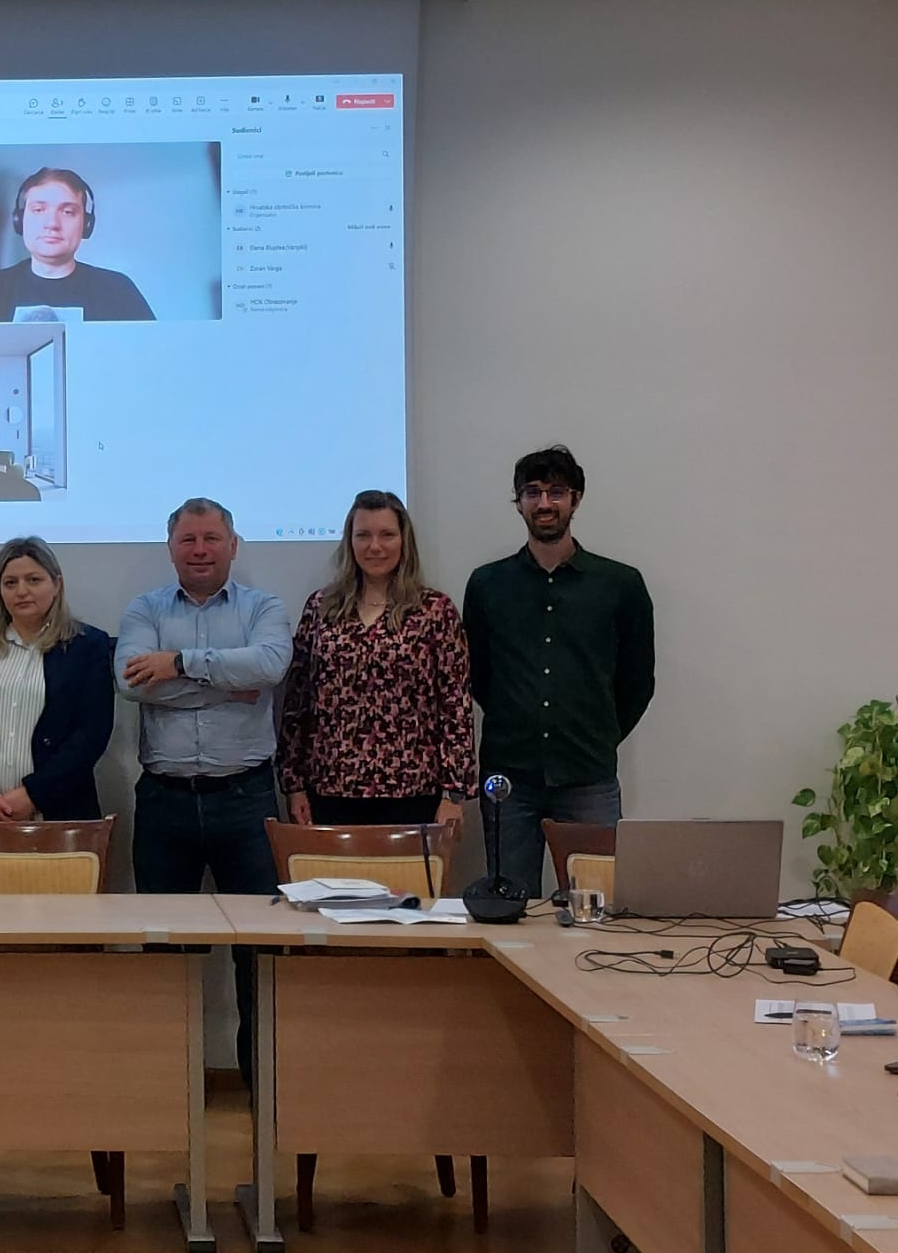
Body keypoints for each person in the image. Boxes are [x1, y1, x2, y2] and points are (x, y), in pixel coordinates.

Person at [116, 497, 290, 1085]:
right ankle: (170, 1088)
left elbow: (269, 667)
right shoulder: (144, 609)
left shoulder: (263, 607)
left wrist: (179, 663)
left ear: (232, 546)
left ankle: (261, 1090)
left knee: (258, 952)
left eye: (211, 538)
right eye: (188, 540)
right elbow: (132, 683)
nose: (199, 550)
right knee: (166, 952)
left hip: (247, 800)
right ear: (170, 548)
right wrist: (225, 681)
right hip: (164, 802)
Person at [463, 445, 656, 900]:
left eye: (556, 491)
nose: (544, 502)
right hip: (509, 776)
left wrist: (596, 732)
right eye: (532, 492)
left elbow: (637, 682)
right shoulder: (487, 585)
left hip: (588, 774)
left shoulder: (621, 585)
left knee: (599, 901)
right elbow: (477, 674)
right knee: (509, 903)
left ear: (576, 499)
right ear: (518, 502)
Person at [277, 491, 473, 830]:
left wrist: (453, 793)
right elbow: (298, 701)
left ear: (404, 541)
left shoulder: (434, 611)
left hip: (413, 791)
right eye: (363, 535)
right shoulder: (322, 608)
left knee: (410, 871)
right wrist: (293, 785)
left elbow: (455, 705)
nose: (375, 546)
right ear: (349, 542)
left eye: (387, 535)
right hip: (331, 789)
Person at [0, 536, 113, 822]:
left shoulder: (87, 645)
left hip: (58, 811)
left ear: (56, 584)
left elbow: (92, 732)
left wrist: (35, 794)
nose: (22, 591)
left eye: (33, 580)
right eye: (10, 583)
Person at [0, 167, 155, 322]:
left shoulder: (118, 291)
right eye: (39, 210)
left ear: (86, 225)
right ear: (19, 220)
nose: (52, 224)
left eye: (67, 212)